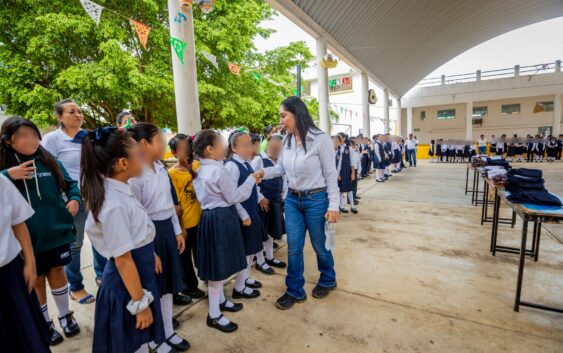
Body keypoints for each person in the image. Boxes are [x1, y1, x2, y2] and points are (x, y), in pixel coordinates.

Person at [81, 127, 165, 353]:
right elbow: (123, 260)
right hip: (127, 285)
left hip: (138, 274)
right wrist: (140, 305)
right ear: (123, 164)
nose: (144, 157)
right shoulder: (113, 204)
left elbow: (135, 236)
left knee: (138, 339)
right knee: (130, 340)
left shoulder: (121, 191)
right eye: (138, 154)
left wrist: (151, 253)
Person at [0, 117, 81, 346]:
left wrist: (74, 200)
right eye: (23, 135)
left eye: (33, 134)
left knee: (57, 269)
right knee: (35, 278)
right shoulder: (4, 167)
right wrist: (8, 175)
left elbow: (71, 184)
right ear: (8, 140)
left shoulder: (48, 159)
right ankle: (45, 321)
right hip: (27, 236)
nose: (31, 140)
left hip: (55, 230)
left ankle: (65, 315)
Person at [262, 96, 339, 310]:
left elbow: (331, 175)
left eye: (284, 115)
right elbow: (280, 170)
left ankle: (327, 279)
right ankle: (295, 290)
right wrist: (262, 172)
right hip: (293, 201)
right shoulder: (286, 140)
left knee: (319, 245)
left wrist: (333, 206)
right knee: (294, 248)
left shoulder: (320, 139)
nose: (281, 120)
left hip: (317, 199)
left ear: (297, 114)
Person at [192, 129, 263, 333]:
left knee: (219, 266)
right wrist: (251, 179)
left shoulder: (202, 169)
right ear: (210, 149)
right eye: (222, 143)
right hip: (220, 219)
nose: (225, 147)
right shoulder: (218, 170)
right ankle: (214, 314)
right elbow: (234, 197)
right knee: (217, 271)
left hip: (212, 218)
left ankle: (221, 301)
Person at [128, 123, 190, 352]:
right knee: (152, 287)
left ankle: (167, 331)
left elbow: (168, 206)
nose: (164, 144)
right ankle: (155, 338)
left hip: (165, 230)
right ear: (144, 143)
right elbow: (137, 215)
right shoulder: (135, 174)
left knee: (167, 287)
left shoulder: (160, 168)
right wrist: (149, 250)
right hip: (148, 235)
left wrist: (176, 231)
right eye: (160, 140)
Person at [42, 98, 107, 303]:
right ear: (59, 117)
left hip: (94, 196)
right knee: (75, 243)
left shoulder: (87, 137)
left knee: (100, 238)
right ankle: (76, 286)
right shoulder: (53, 139)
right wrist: (68, 198)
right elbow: (49, 171)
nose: (78, 114)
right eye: (71, 112)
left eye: (79, 111)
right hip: (72, 200)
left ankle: (102, 275)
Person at [0, 174, 51, 353]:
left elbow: (18, 222)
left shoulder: (1, 181)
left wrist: (30, 262)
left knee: (28, 335)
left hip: (9, 273)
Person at [224, 131, 269, 293]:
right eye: (244, 145)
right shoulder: (231, 166)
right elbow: (232, 195)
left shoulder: (246, 163)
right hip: (243, 215)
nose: (249, 148)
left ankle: (245, 278)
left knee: (251, 250)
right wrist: (243, 214)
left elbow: (252, 188)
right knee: (246, 252)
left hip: (251, 211)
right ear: (234, 148)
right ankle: (239, 287)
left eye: (250, 144)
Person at [168, 134, 206, 300]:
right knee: (185, 258)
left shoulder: (197, 165)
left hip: (201, 219)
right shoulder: (172, 174)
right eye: (183, 150)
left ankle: (205, 274)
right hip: (186, 224)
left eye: (189, 149)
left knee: (201, 252)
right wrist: (181, 227)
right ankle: (189, 286)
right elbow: (177, 206)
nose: (187, 152)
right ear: (174, 153)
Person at [257, 135, 287, 269]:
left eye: (279, 148)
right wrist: (260, 198)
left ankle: (269, 257)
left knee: (270, 233)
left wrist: (283, 196)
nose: (276, 150)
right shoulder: (259, 160)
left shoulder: (280, 161)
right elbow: (251, 181)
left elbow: (284, 180)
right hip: (263, 203)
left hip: (276, 202)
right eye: (274, 147)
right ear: (268, 145)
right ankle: (259, 261)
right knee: (261, 233)